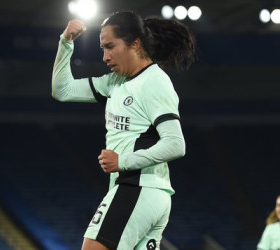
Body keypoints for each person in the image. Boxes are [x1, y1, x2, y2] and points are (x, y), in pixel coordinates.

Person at [52, 10, 196, 250]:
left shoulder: (154, 82)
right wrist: (65, 42)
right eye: (102, 49)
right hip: (144, 193)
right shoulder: (115, 82)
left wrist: (123, 161)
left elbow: (175, 143)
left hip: (138, 187)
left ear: (135, 44)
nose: (105, 57)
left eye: (110, 46)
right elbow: (63, 90)